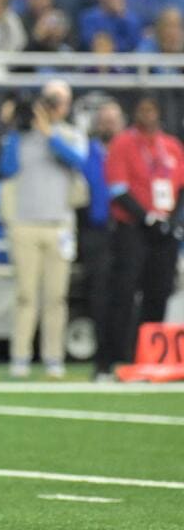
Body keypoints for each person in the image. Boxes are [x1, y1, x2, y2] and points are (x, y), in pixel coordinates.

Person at [0, 81, 86, 378]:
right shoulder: (21, 138)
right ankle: (20, 356)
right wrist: (14, 128)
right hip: (25, 223)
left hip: (58, 223)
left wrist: (50, 134)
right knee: (25, 294)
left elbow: (79, 162)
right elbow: (7, 168)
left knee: (56, 297)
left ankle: (53, 357)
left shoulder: (70, 134)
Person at [101, 96, 184, 376]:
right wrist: (147, 217)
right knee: (124, 292)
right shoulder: (123, 144)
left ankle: (149, 358)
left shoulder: (171, 146)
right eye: (142, 109)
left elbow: (181, 188)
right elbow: (118, 189)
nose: (147, 114)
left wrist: (171, 221)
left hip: (164, 231)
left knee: (159, 293)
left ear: (159, 114)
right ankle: (114, 357)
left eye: (151, 109)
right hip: (132, 228)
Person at [81, 100, 124, 380]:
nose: (108, 124)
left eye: (113, 119)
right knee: (97, 298)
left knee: (125, 295)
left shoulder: (130, 150)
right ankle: (101, 362)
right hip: (95, 230)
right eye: (104, 119)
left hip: (126, 231)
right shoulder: (87, 152)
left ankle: (126, 357)